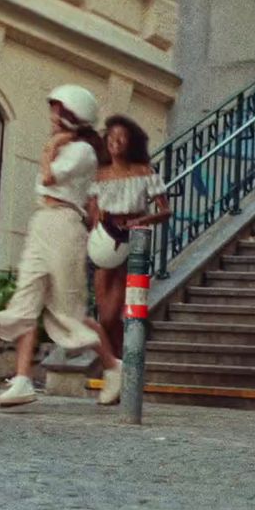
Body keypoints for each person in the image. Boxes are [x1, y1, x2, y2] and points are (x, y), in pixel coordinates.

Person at [0, 85, 124, 408]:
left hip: (65, 226)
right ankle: (23, 380)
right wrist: (53, 146)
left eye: (58, 111)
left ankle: (113, 366)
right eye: (53, 110)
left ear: (74, 116)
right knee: (26, 300)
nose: (53, 117)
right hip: (43, 221)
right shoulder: (62, 147)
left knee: (68, 311)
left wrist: (51, 148)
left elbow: (48, 179)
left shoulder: (82, 152)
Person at [87, 115, 170, 357]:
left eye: (121, 137)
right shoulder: (99, 175)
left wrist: (140, 221)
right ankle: (119, 367)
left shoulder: (143, 172)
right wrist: (93, 221)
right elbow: (91, 214)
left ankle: (122, 366)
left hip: (132, 241)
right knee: (105, 317)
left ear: (130, 142)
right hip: (104, 240)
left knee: (114, 312)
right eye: (111, 137)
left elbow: (165, 211)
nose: (116, 141)